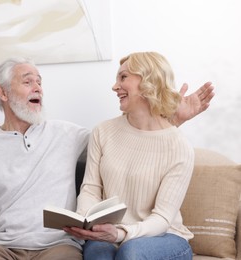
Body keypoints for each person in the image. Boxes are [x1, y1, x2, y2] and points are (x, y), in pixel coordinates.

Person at [0, 57, 214, 260]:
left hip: (57, 247)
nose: (38, 87)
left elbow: (132, 143)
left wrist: (175, 120)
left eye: (40, 82)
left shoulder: (68, 134)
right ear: (3, 93)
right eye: (27, 80)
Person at [64, 52, 198, 260]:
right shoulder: (103, 131)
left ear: (148, 81)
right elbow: (91, 188)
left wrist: (121, 234)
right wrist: (85, 221)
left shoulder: (179, 147)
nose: (115, 86)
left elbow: (162, 218)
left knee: (131, 253)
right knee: (99, 254)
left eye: (123, 77)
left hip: (164, 237)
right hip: (110, 233)